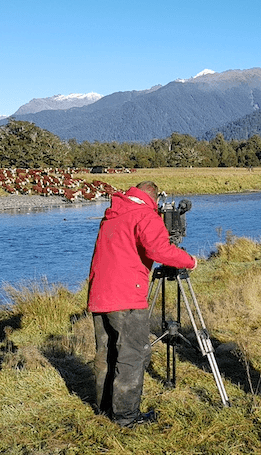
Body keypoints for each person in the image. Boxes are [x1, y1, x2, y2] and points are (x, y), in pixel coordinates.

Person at [87, 180, 198, 428]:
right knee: (132, 355)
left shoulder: (113, 213)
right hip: (126, 297)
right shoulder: (145, 215)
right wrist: (189, 261)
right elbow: (159, 250)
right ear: (155, 199)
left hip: (99, 295)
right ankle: (126, 418)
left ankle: (105, 409)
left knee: (107, 353)